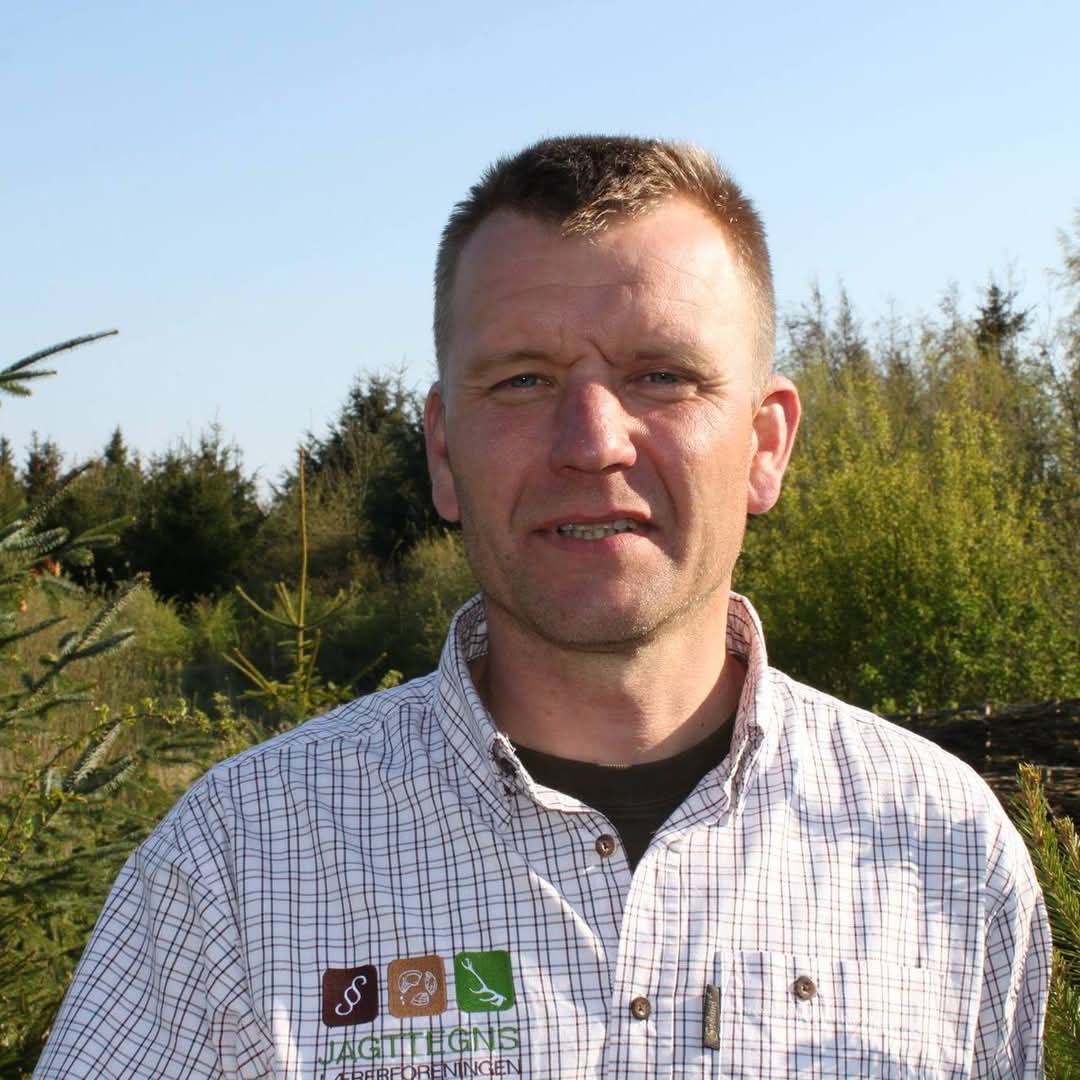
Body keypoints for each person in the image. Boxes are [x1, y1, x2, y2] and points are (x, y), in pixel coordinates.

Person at [36, 136, 1049, 1079]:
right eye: (523, 380)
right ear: (444, 452)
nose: (592, 441)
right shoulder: (237, 862)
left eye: (662, 375)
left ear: (765, 443)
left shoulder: (948, 847)